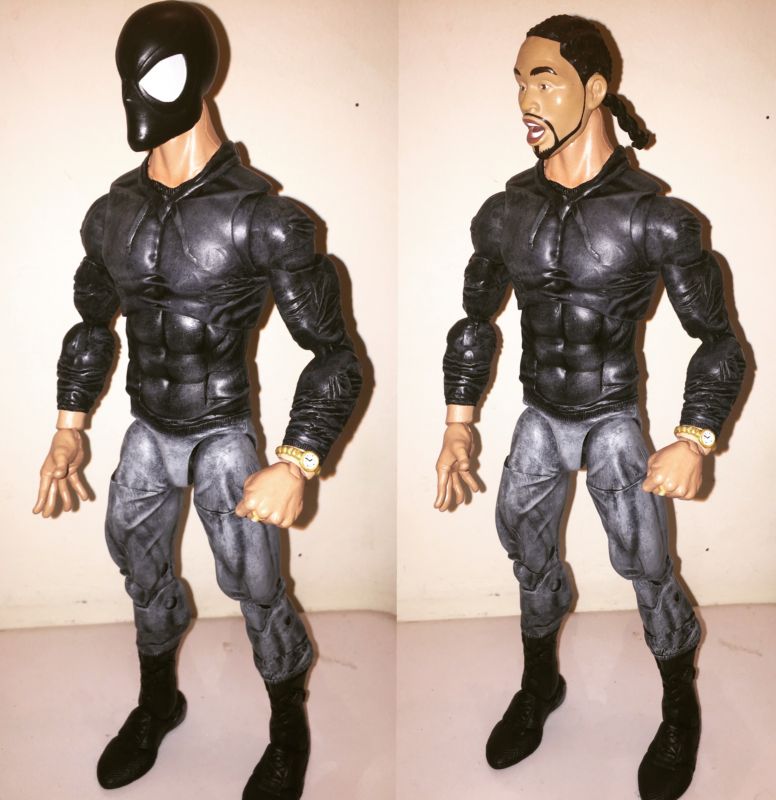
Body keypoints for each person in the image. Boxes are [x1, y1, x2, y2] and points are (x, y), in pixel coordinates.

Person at [32, 3, 362, 799]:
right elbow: (92, 325)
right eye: (129, 80)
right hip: (148, 427)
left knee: (256, 585)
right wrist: (70, 426)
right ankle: (159, 702)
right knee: (139, 569)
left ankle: (287, 728)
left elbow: (336, 355)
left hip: (222, 433)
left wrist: (297, 460)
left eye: (156, 76)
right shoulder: (112, 214)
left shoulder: (266, 220)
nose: (138, 97)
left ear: (198, 78)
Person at [434, 15, 744, 800]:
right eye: (520, 82)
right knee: (526, 552)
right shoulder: (506, 212)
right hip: (540, 416)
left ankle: (679, 707)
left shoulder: (656, 217)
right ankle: (541, 684)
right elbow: (474, 323)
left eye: (545, 81)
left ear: (595, 88)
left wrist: (694, 436)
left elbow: (719, 342)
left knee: (647, 564)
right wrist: (458, 424)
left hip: (611, 418)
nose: (526, 100)